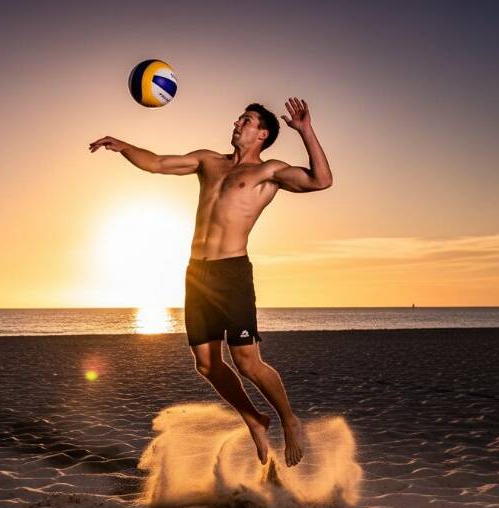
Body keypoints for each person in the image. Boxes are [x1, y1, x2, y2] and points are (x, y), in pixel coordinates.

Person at [89, 98, 333, 467]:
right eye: (239, 117)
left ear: (261, 133)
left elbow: (321, 180)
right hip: (197, 274)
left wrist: (306, 131)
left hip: (231, 273)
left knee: (248, 363)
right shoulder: (209, 162)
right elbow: (156, 163)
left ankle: (288, 418)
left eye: (246, 120)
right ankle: (254, 418)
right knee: (205, 364)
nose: (237, 122)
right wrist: (123, 147)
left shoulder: (269, 172)